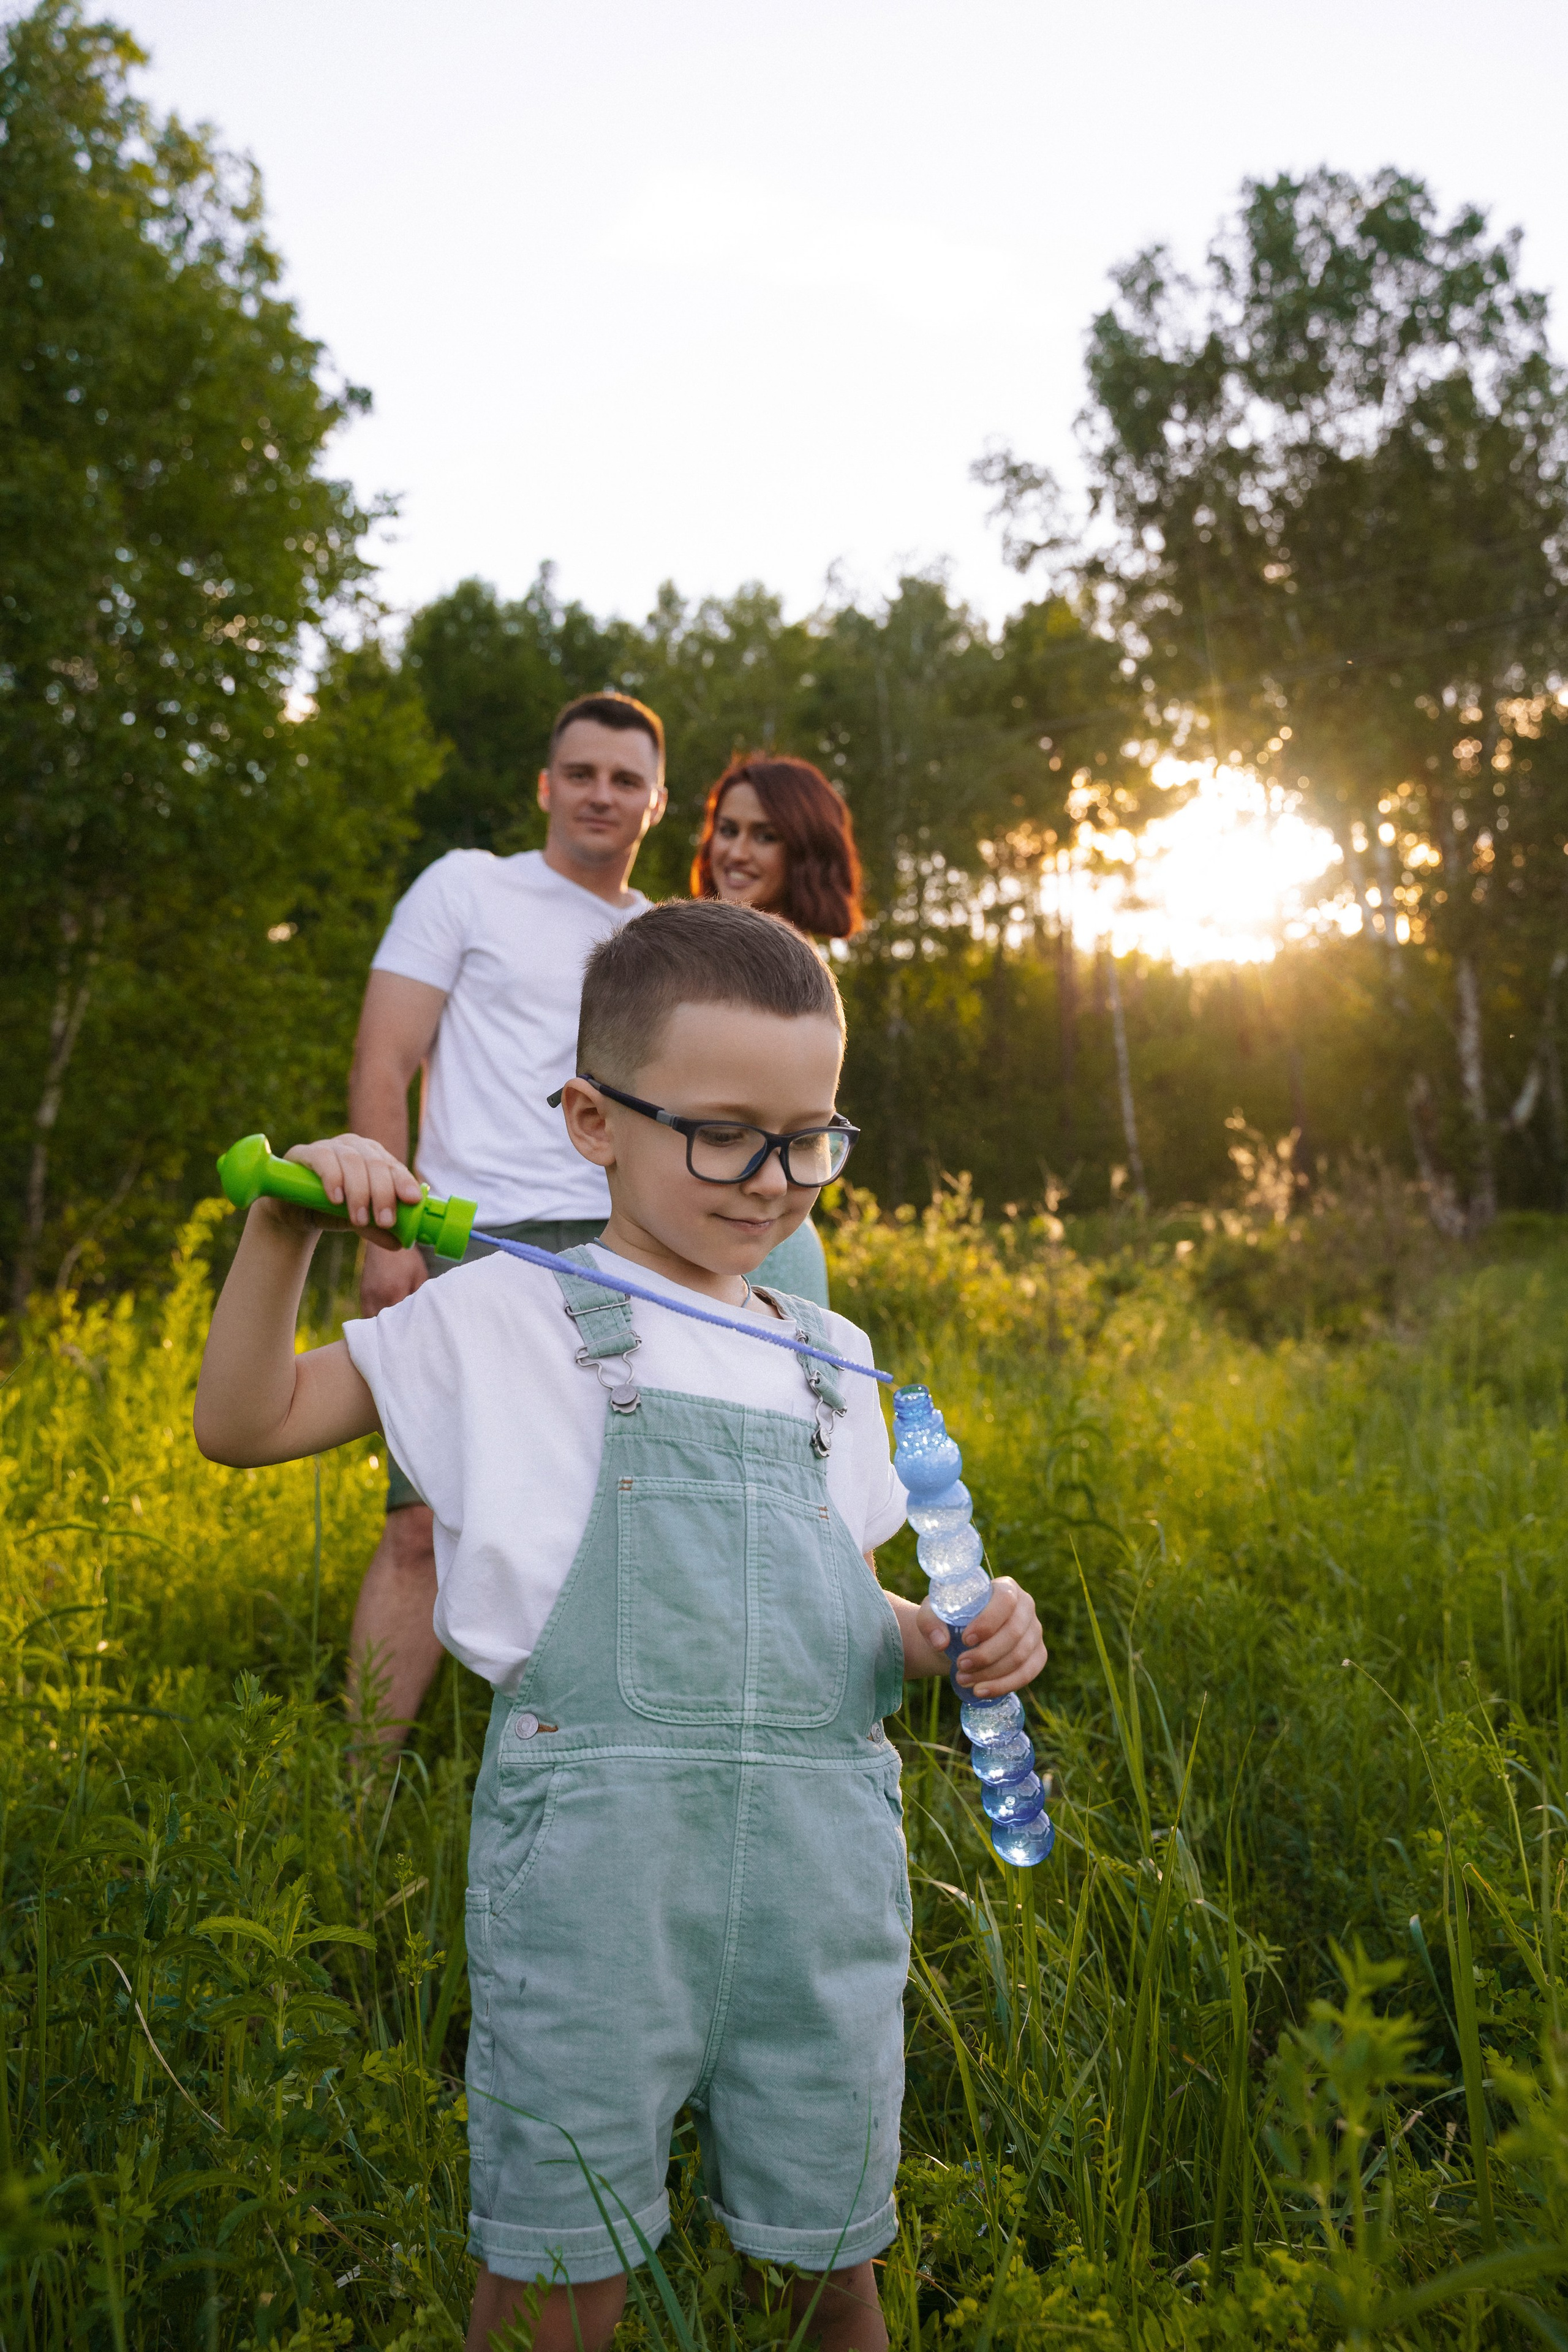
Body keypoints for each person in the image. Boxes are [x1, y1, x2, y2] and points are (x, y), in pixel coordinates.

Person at [194, 899, 1047, 2352]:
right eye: (723, 1132)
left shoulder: (831, 1360)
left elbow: (833, 1590)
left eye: (809, 1137)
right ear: (593, 1118)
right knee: (557, 2268)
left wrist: (946, 1630)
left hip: (817, 1882)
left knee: (829, 2258)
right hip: (594, 1882)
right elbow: (244, 1420)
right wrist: (284, 1225)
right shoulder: (500, 1313)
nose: (772, 1180)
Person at [345, 691, 665, 1740]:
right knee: (422, 1523)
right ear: (545, 786)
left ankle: (576, 1764)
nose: (600, 795)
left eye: (626, 780)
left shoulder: (662, 940)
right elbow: (385, 1060)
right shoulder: (469, 888)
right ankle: (355, 1796)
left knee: (606, 1527)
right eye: (582, 773)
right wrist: (388, 1241)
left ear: (657, 804)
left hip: (628, 1253)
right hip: (472, 1242)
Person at [690, 755, 864, 1306]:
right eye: (728, 830)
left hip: (763, 1237)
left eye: (764, 836)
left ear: (804, 853)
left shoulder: (795, 985)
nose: (737, 852)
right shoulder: (691, 960)